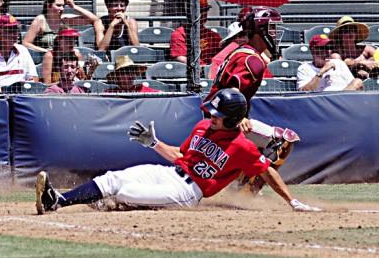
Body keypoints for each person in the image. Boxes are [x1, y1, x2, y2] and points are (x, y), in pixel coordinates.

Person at [34, 88, 321, 214]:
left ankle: (107, 201)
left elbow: (267, 171)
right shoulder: (202, 128)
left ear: (233, 119)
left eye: (217, 114)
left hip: (188, 193)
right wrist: (153, 143)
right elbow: (180, 157)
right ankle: (57, 201)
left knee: (123, 193)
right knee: (112, 179)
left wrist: (292, 201)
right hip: (170, 173)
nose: (211, 116)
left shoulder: (241, 146)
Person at [204, 6, 281, 106]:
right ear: (261, 31)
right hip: (221, 116)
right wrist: (239, 117)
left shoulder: (248, 52)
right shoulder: (250, 58)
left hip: (222, 113)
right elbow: (232, 94)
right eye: (272, 28)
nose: (274, 33)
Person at [24, 0, 101, 53]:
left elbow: (94, 19)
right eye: (58, 5)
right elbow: (26, 43)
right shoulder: (40, 20)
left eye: (63, 6)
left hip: (65, 58)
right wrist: (46, 51)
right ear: (49, 5)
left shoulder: (64, 19)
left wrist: (74, 6)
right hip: (45, 59)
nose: (62, 8)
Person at [169, 0, 222, 66]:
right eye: (200, 10)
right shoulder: (179, 34)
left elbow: (221, 55)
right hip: (191, 72)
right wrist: (199, 67)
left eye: (206, 9)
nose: (204, 13)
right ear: (191, 12)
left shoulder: (213, 35)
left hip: (211, 70)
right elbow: (180, 57)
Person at [328, 15, 376, 80]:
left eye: (353, 30)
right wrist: (362, 63)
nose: (350, 33)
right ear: (340, 35)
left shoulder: (367, 49)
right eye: (346, 31)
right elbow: (340, 67)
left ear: (356, 33)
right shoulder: (336, 53)